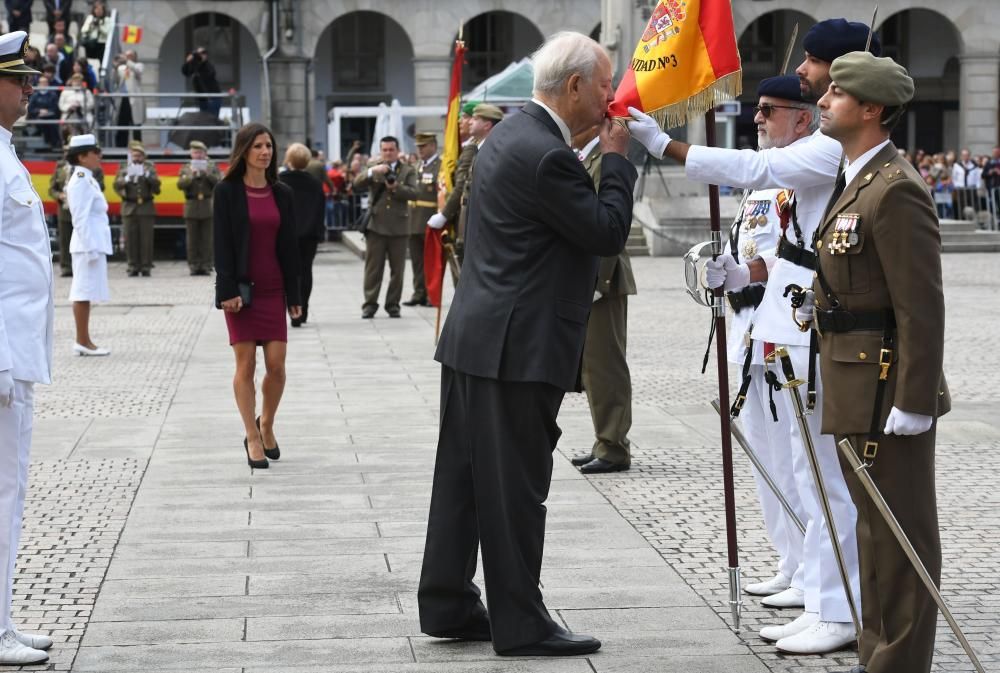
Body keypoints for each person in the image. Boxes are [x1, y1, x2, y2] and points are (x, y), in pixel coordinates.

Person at [627, 18, 875, 655]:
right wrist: (738, 272)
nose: (812, 87)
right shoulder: (830, 137)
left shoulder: (831, 145)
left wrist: (666, 147)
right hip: (788, 322)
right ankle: (824, 597)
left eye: (817, 74)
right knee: (804, 470)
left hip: (813, 325)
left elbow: (754, 167)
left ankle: (838, 607)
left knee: (824, 479)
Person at [418, 31, 636, 657]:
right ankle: (521, 621)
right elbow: (604, 232)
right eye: (602, 85)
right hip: (518, 347)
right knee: (516, 487)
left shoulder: (510, 134)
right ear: (573, 87)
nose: (608, 99)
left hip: (476, 337)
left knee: (460, 479)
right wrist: (617, 160)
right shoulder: (548, 155)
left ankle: (449, 601)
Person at [804, 50, 950, 673]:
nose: (822, 100)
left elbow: (922, 306)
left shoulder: (894, 190)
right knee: (872, 530)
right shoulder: (857, 178)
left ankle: (901, 660)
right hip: (855, 379)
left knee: (900, 534)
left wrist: (916, 401)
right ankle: (877, 653)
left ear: (871, 109)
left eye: (837, 93)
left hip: (888, 387)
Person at [699, 77, 816, 619]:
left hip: (786, 328)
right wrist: (731, 269)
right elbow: (751, 246)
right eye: (756, 110)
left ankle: (813, 565)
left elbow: (788, 259)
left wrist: (749, 270)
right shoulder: (761, 180)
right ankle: (789, 559)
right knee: (765, 453)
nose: (758, 119)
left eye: (769, 110)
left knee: (798, 458)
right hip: (748, 328)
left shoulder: (802, 174)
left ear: (803, 118)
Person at [0, 31, 56, 666]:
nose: (28, 90)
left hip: (17, 355)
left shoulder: (7, 152)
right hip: (4, 358)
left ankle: (5, 619)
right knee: (3, 494)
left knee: (9, 493)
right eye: (18, 81)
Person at [214, 123, 301, 469]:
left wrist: (295, 293)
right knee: (246, 365)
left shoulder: (283, 193)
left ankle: (267, 423)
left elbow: (291, 247)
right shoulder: (227, 191)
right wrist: (227, 289)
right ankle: (251, 434)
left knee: (277, 367)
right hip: (241, 292)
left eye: (269, 146)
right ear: (244, 151)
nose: (265, 152)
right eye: (258, 146)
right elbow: (221, 245)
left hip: (274, 288)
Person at [569, 123, 637, 474]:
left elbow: (610, 223)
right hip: (588, 276)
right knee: (591, 369)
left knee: (605, 366)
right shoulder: (586, 156)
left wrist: (600, 280)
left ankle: (613, 447)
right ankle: (605, 441)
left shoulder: (604, 157)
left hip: (604, 280)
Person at [428, 103, 503, 263]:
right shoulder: (477, 148)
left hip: (480, 225)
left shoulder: (489, 150)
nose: (468, 121)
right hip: (467, 220)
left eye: (475, 119)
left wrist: (444, 214)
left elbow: (463, 187)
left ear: (487, 125)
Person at [353, 135, 418, 319]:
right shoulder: (375, 167)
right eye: (385, 150)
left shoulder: (407, 170)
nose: (388, 153)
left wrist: (397, 188)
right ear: (380, 151)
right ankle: (370, 304)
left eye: (391, 150)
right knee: (373, 268)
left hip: (399, 226)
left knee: (398, 270)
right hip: (376, 225)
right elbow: (357, 183)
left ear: (397, 151)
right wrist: (373, 172)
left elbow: (415, 193)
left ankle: (393, 304)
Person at [65, 134, 111, 356]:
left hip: (91, 244)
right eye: (95, 152)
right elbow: (80, 218)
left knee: (87, 292)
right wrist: (90, 246)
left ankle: (85, 339)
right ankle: (82, 341)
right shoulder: (81, 179)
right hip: (86, 245)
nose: (98, 156)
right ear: (82, 157)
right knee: (82, 292)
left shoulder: (88, 177)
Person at [278, 143, 324, 327]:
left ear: (288, 159)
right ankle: (301, 310)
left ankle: (290, 309)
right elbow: (320, 210)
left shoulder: (279, 181)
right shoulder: (314, 183)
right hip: (309, 234)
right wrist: (319, 232)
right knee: (305, 271)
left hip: (284, 234)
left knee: (285, 272)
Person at [403, 132, 439, 307]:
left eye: (423, 146)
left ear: (433, 145)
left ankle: (432, 295)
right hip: (413, 220)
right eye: (418, 147)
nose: (420, 150)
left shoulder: (440, 167)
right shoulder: (415, 166)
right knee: (417, 261)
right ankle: (419, 293)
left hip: (430, 219)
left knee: (431, 262)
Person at [113, 141, 160, 277]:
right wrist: (127, 178)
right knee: (130, 239)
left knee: (146, 239)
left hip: (146, 207)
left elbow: (157, 188)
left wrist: (147, 176)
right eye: (134, 155)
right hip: (129, 207)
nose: (137, 158)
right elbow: (116, 185)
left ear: (144, 157)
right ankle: (132, 266)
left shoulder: (150, 168)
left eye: (139, 156)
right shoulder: (123, 167)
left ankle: (146, 266)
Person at [177, 140, 221, 276]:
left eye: (200, 152)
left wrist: (207, 173)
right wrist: (191, 174)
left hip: (207, 205)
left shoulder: (212, 166)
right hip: (191, 205)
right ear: (191, 154)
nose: (198, 155)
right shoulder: (186, 167)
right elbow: (180, 185)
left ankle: (207, 265)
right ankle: (194, 265)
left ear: (205, 153)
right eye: (195, 152)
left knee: (207, 238)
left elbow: (219, 182)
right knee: (192, 239)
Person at [113, 50, 143, 146]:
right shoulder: (121, 68)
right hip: (123, 99)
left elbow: (138, 71)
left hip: (134, 99)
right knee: (122, 123)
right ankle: (121, 146)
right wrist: (115, 67)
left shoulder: (138, 65)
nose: (128, 57)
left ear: (135, 57)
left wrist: (127, 61)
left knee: (136, 124)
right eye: (126, 55)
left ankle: (137, 146)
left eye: (130, 56)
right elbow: (115, 81)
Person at [182, 47, 221, 117]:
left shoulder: (208, 65)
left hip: (213, 98)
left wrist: (200, 62)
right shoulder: (194, 65)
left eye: (203, 53)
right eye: (199, 53)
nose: (202, 55)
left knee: (213, 120)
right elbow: (185, 72)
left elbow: (211, 73)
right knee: (204, 120)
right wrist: (188, 62)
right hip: (202, 99)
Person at [26, 74, 60, 148]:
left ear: (48, 84)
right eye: (42, 83)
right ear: (39, 84)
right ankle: (49, 143)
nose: (43, 84)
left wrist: (47, 112)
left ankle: (53, 144)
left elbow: (55, 108)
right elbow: (31, 108)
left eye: (45, 83)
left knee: (52, 123)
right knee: (42, 122)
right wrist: (39, 111)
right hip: (38, 116)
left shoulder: (53, 94)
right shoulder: (35, 95)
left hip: (50, 116)